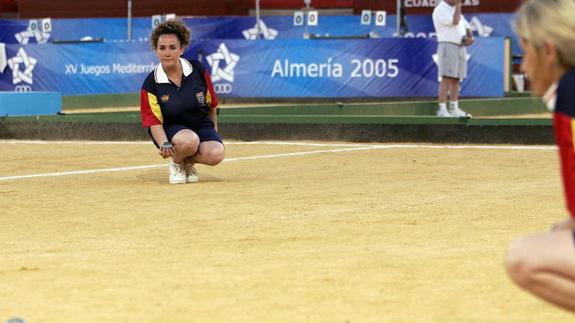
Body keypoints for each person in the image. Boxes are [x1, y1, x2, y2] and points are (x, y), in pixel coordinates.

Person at [505, 0, 575, 313]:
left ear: (548, 51)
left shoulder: (571, 99)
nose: (522, 66)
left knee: (524, 257)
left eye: (525, 50)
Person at [140, 20, 225, 184]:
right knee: (189, 141)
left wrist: (214, 132)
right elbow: (153, 121)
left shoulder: (198, 70)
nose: (167, 53)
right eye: (162, 48)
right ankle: (176, 164)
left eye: (172, 47)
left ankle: (188, 162)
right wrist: (164, 143)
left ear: (181, 49)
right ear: (156, 50)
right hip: (172, 129)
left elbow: (211, 105)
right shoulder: (151, 83)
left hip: (200, 124)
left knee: (216, 154)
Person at [432, 0, 474, 117]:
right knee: (446, 78)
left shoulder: (455, 9)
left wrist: (470, 37)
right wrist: (458, 5)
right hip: (447, 45)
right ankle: (442, 109)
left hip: (460, 46)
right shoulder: (440, 9)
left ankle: (454, 108)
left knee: (457, 79)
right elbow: (455, 22)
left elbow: (467, 27)